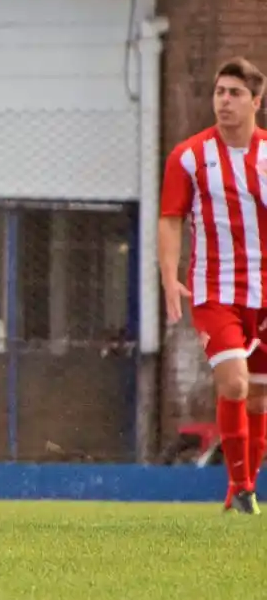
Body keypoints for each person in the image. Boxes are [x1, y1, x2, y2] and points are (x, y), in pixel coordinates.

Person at [159, 56, 267, 516]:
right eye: (220, 92)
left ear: (256, 102)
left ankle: (239, 494)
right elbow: (170, 219)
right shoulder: (189, 156)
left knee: (260, 395)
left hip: (263, 294)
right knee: (235, 384)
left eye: (235, 93)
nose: (224, 101)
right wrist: (168, 276)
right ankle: (241, 487)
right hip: (214, 292)